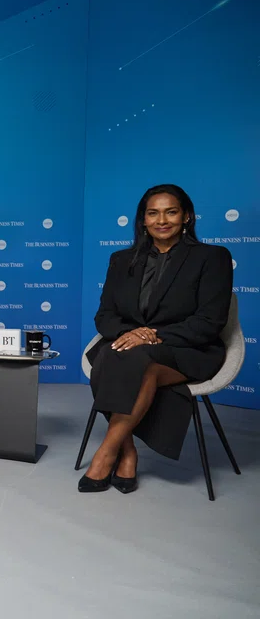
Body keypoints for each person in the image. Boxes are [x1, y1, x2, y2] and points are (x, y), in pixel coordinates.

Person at [80, 184, 233, 494]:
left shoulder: (212, 257)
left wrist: (152, 336)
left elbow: (209, 321)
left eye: (171, 211)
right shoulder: (122, 260)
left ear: (186, 216)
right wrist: (130, 334)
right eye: (153, 213)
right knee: (117, 357)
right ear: (143, 220)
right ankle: (128, 452)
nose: (162, 220)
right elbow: (105, 316)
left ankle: (106, 454)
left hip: (188, 349)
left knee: (125, 360)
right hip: (128, 347)